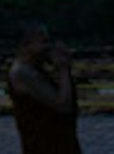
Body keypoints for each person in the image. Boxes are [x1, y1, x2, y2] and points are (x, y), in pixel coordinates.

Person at [7, 21, 81, 154]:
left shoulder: (36, 69)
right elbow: (62, 105)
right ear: (26, 45)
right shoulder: (23, 73)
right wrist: (63, 68)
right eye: (43, 42)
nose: (48, 47)